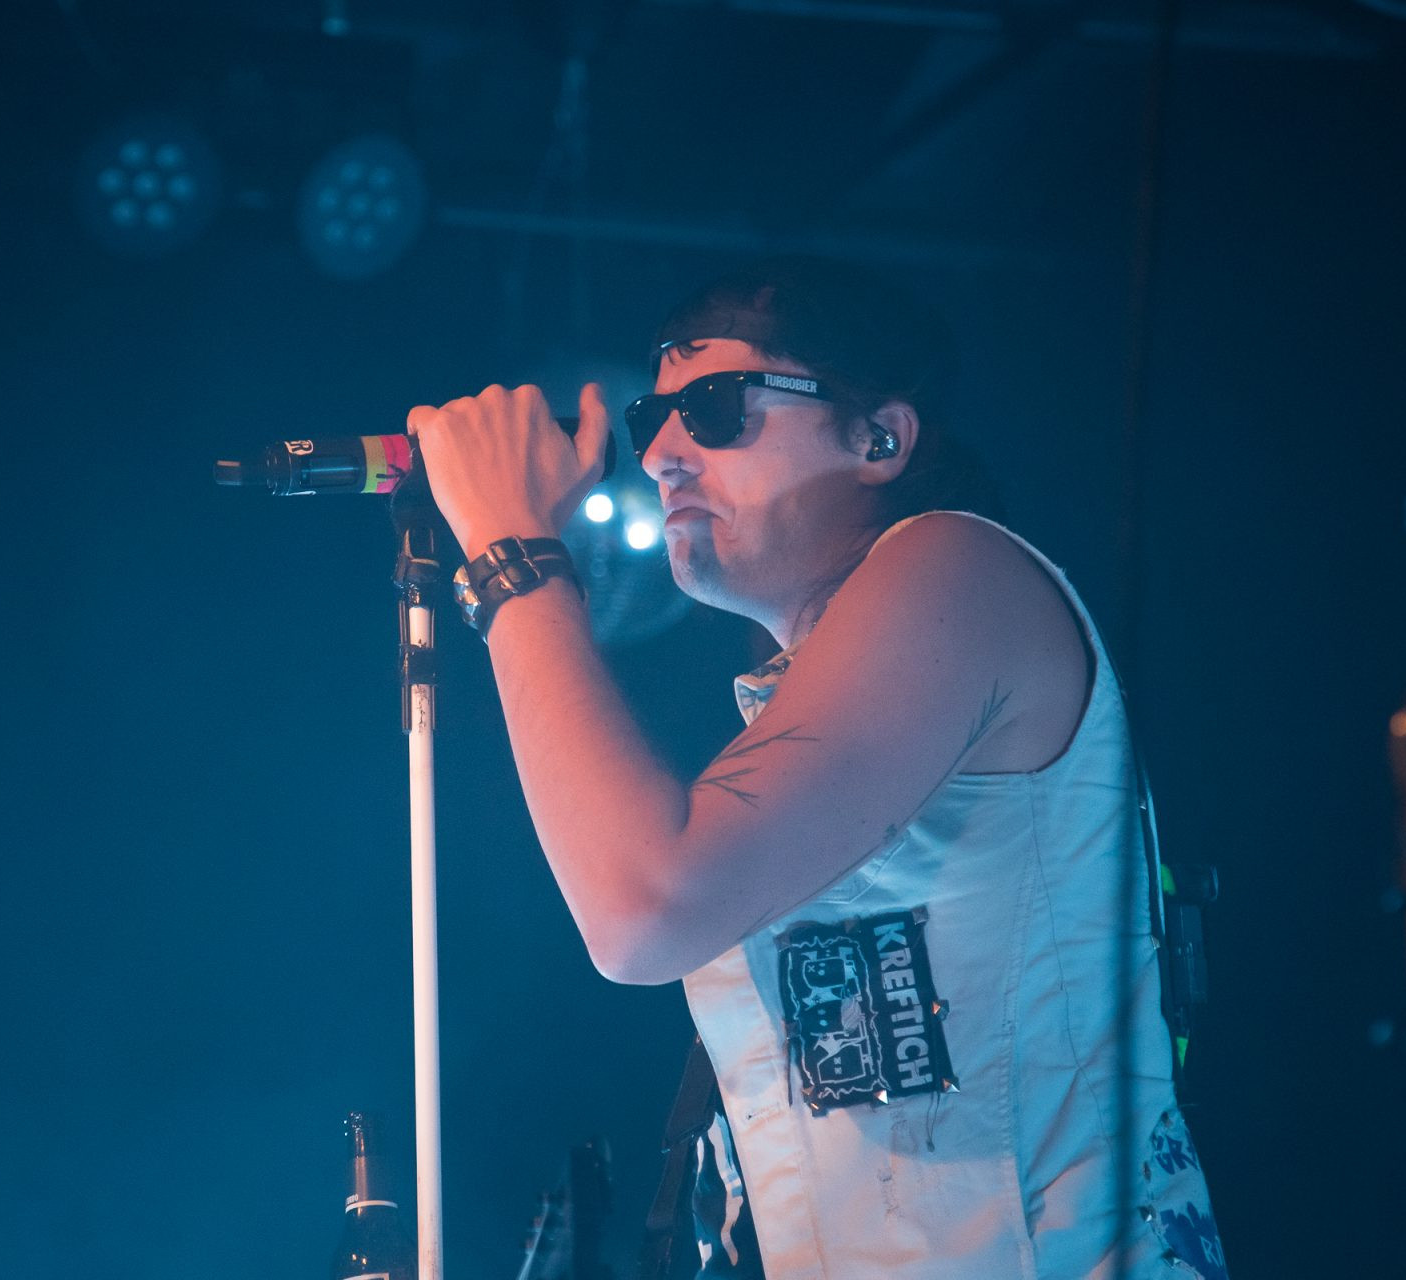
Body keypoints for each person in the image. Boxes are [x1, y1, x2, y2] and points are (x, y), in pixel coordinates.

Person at [408, 259, 1225, 1278]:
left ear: (879, 438)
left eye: (714, 407)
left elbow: (644, 906)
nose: (659, 455)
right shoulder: (802, 710)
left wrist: (511, 549)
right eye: (651, 420)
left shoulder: (960, 569)